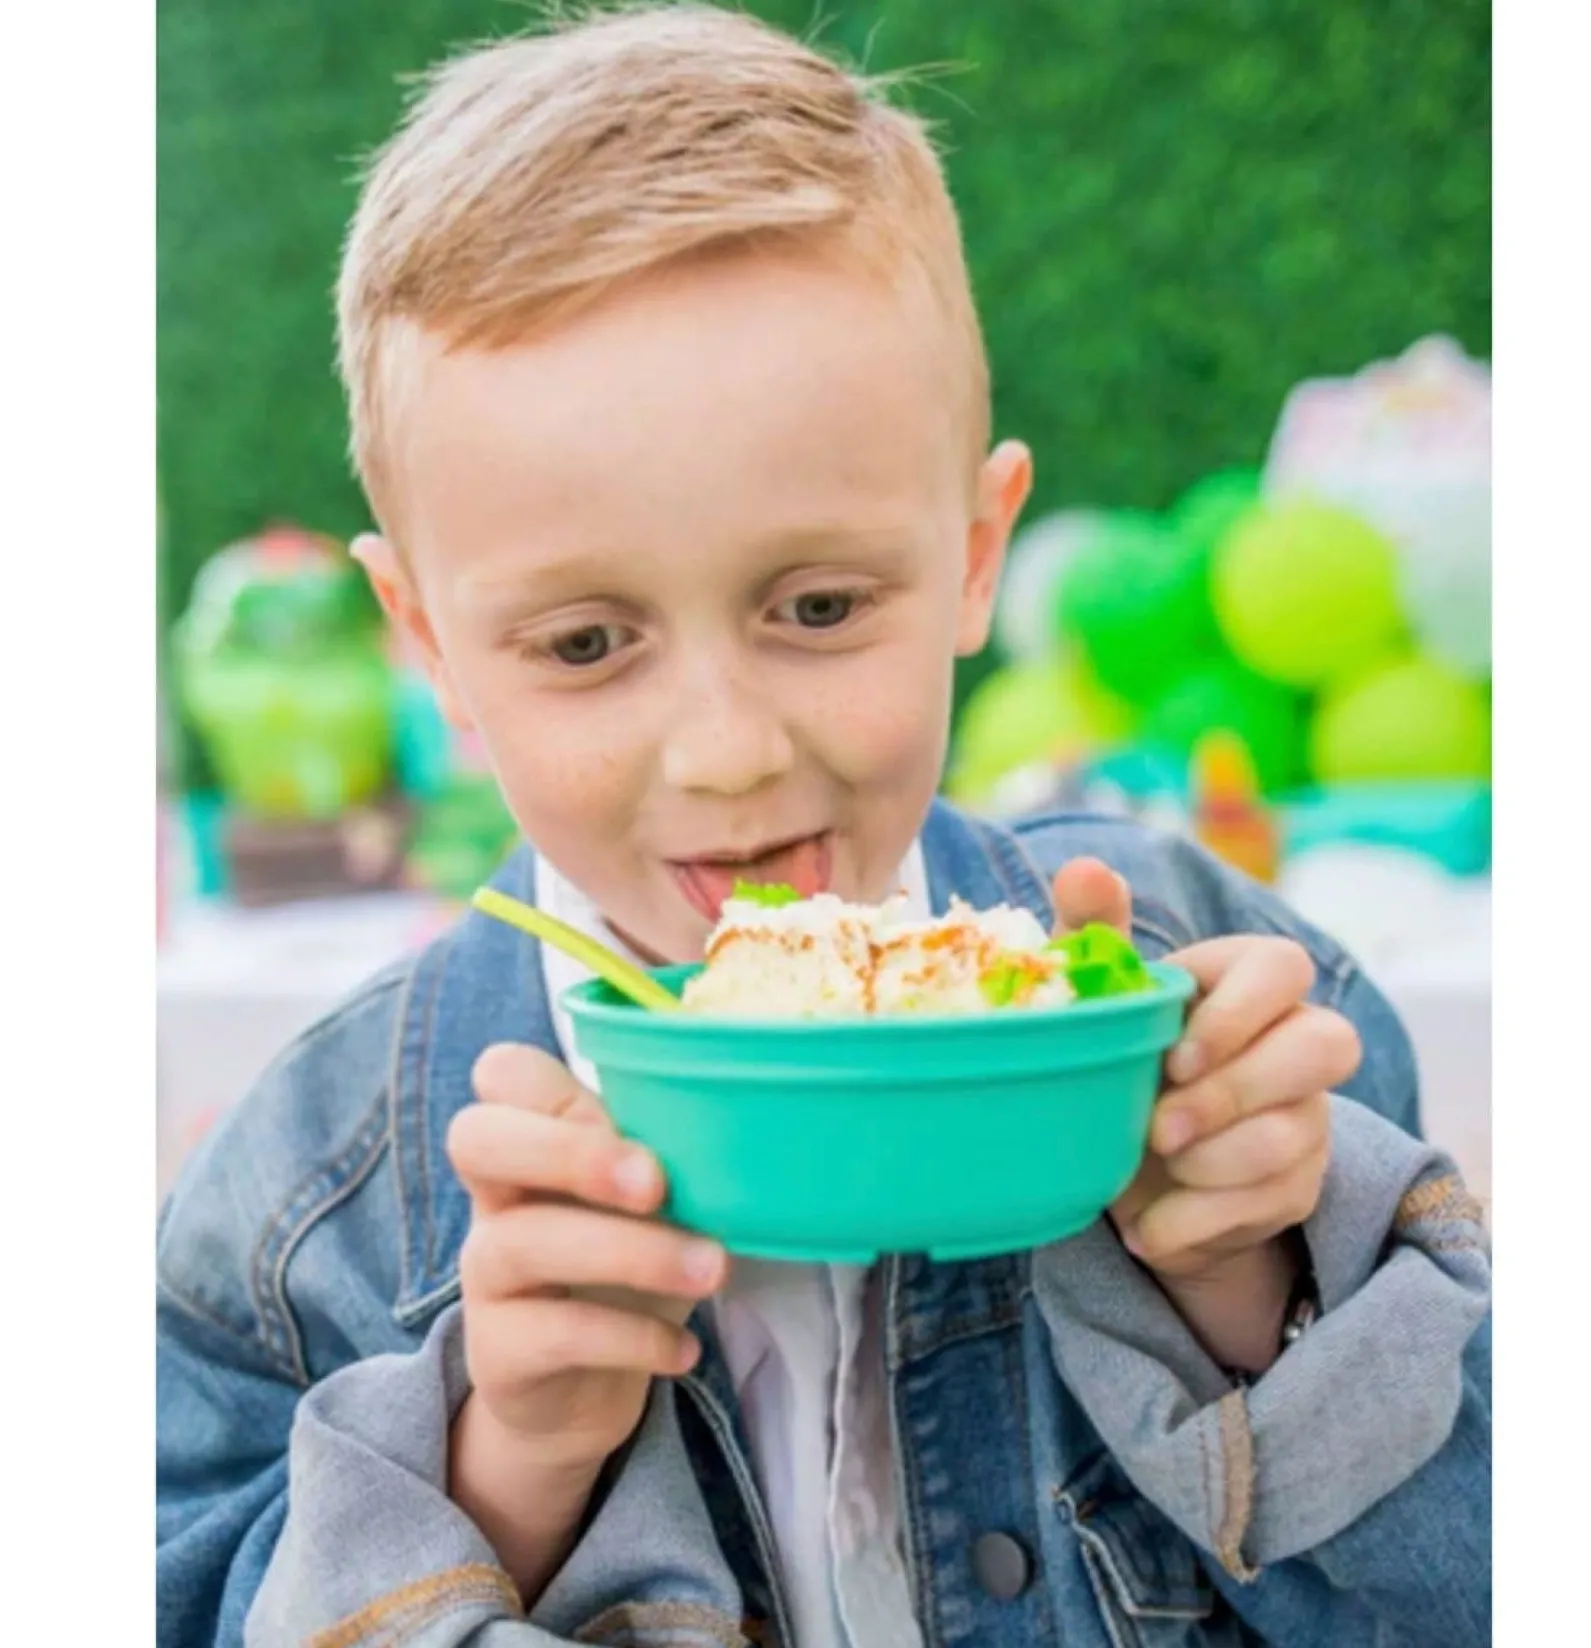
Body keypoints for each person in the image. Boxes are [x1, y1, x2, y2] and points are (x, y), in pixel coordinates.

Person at [155, 8, 1491, 1645]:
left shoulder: (1246, 1017)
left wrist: (1245, 1305)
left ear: (977, 550)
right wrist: (507, 1475)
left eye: (818, 604)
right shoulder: (303, 1220)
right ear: (428, 644)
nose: (726, 755)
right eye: (586, 644)